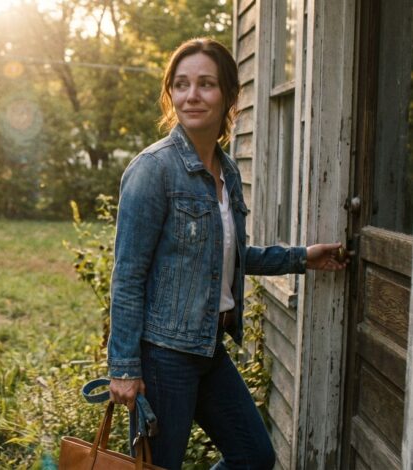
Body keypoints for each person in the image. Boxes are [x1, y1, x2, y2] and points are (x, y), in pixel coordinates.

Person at [106, 38, 347, 470]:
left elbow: (226, 257)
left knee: (253, 455)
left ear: (229, 96)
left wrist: (301, 257)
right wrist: (124, 366)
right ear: (170, 94)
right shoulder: (152, 170)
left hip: (209, 348)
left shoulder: (227, 171)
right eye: (181, 85)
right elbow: (127, 276)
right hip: (164, 355)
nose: (191, 95)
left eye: (205, 84)